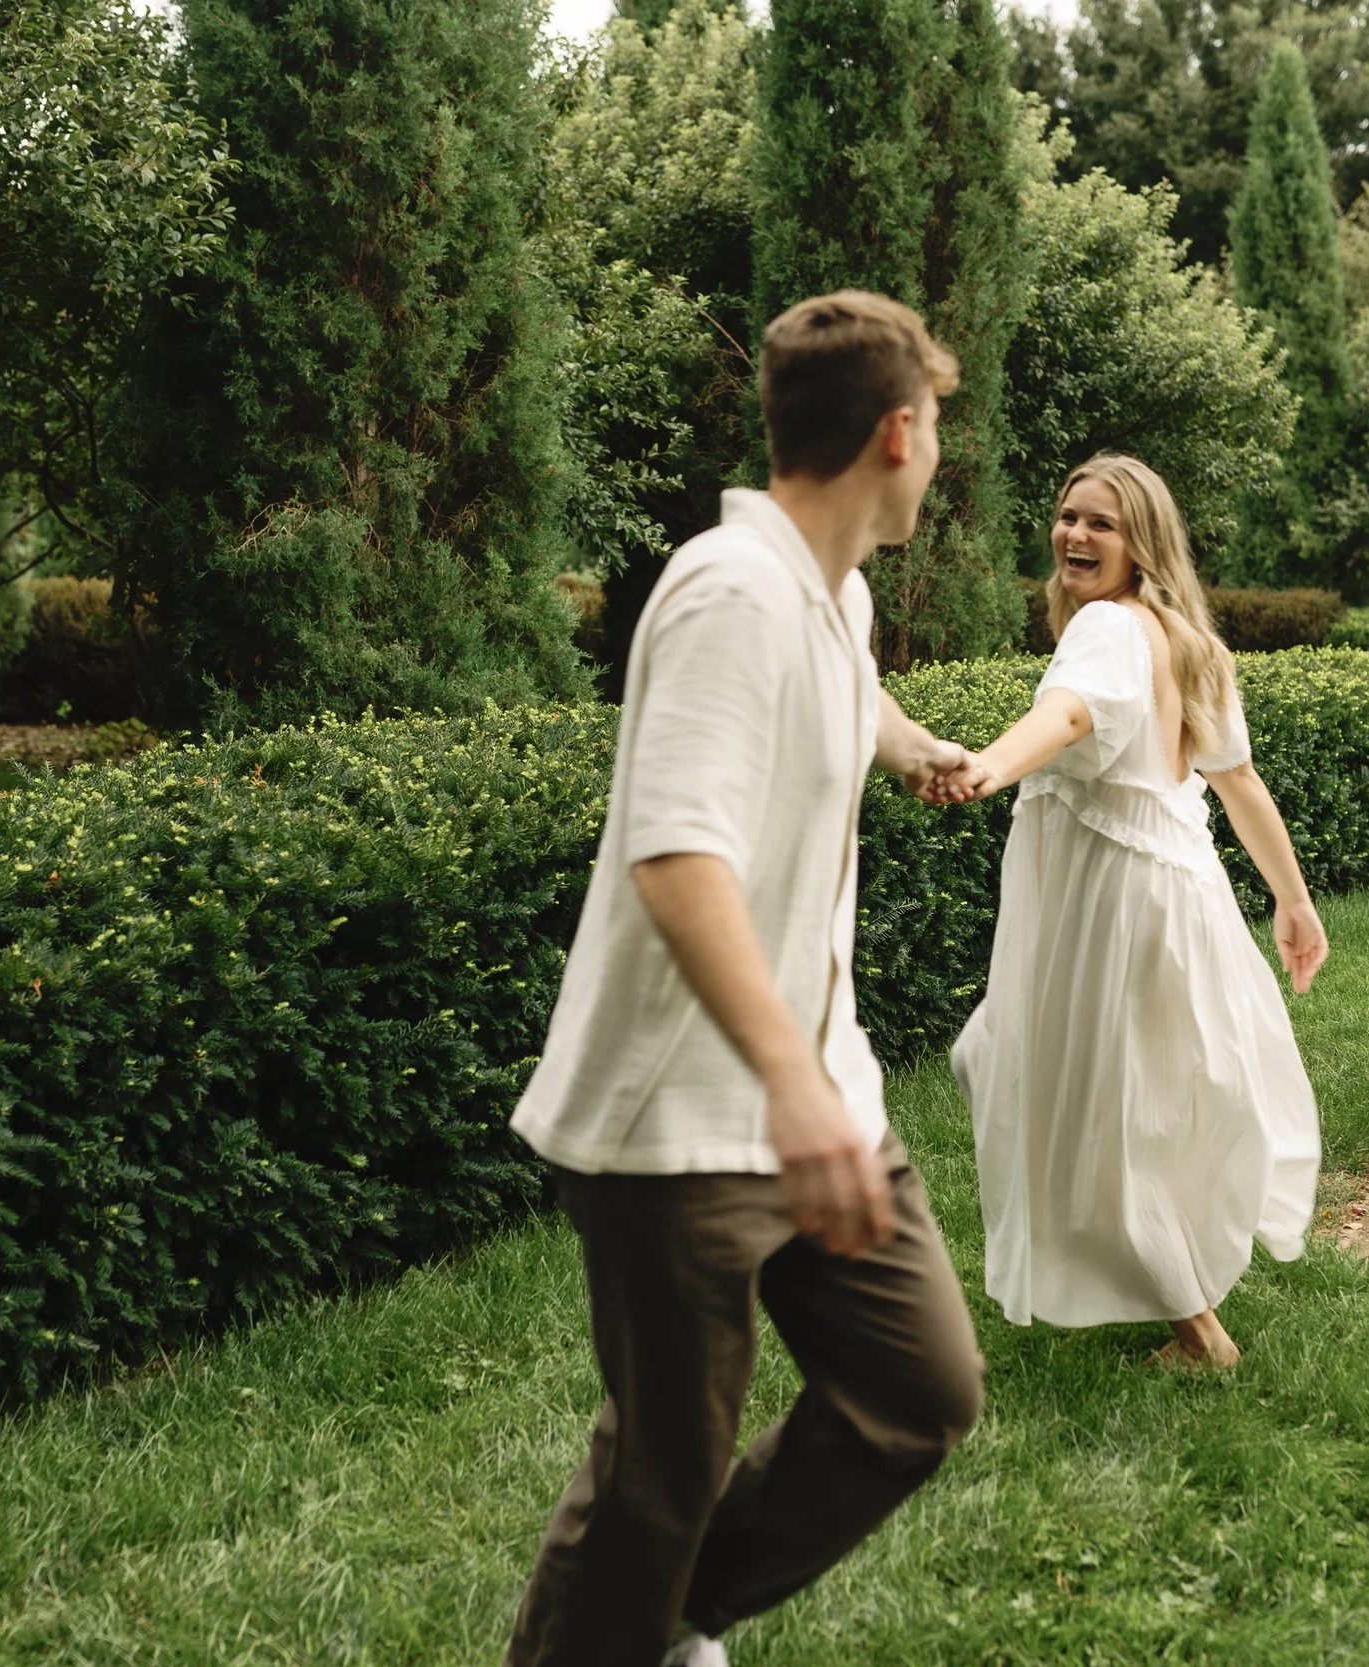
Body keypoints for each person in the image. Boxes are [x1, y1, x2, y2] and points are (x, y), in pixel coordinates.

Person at [503, 291, 986, 1667]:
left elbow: (838, 687)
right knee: (660, 1472)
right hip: (687, 1120)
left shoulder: (831, 590)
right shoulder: (728, 592)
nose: (937, 452)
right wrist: (789, 1082)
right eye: (935, 424)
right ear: (895, 432)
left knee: (919, 1384)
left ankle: (672, 1613)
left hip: (817, 1094)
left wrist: (910, 743)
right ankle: (631, 1621)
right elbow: (676, 857)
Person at [939, 453, 1327, 1370]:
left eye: (1100, 523)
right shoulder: (1183, 638)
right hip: (1176, 894)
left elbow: (1072, 715)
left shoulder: (1108, 629)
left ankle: (1198, 1332)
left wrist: (989, 765)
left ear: (1140, 542)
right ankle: (1184, 1302)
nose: (1074, 534)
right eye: (1068, 514)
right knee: (1082, 1087)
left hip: (1116, 905)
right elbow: (1236, 780)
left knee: (1089, 1108)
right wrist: (1292, 899)